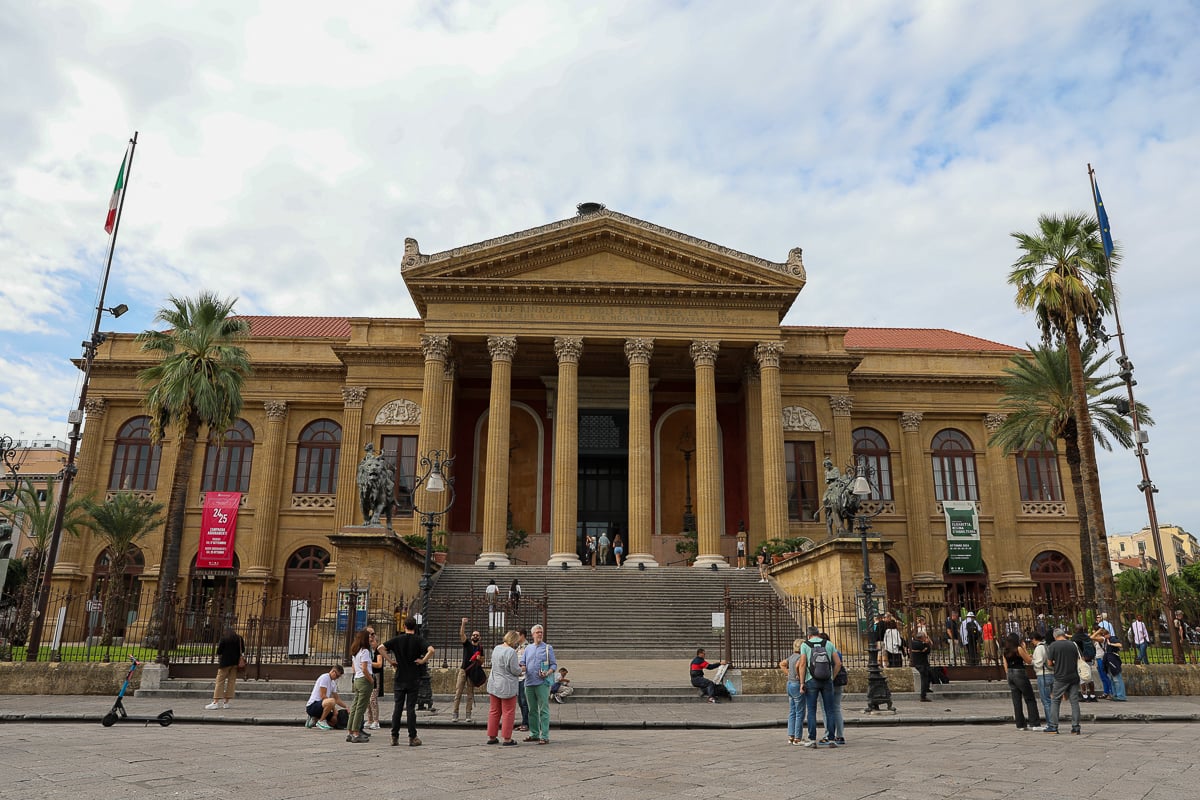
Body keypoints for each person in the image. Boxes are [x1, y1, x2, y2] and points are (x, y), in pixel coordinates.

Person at [380, 616, 434, 747]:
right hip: (413, 678)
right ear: (415, 627)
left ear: (404, 626)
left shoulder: (397, 640)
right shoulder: (419, 640)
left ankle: (394, 736)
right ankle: (412, 736)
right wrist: (422, 660)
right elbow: (431, 650)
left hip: (399, 677)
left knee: (397, 708)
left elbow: (380, 648)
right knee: (410, 708)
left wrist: (390, 661)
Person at [797, 626, 842, 747]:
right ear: (818, 634)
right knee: (830, 710)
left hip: (811, 680)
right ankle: (831, 739)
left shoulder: (805, 645)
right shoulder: (829, 643)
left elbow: (802, 664)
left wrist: (802, 683)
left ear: (809, 635)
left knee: (811, 710)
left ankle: (812, 740)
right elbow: (838, 663)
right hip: (827, 680)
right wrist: (832, 676)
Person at [485, 630, 524, 746]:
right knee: (508, 712)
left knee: (494, 711)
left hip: (494, 683)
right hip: (507, 685)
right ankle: (507, 738)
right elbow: (514, 670)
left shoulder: (497, 648)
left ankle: (492, 736)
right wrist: (521, 669)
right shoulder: (511, 652)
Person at [521, 624, 557, 744]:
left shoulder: (548, 648)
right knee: (532, 710)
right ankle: (534, 733)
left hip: (542, 682)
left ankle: (545, 735)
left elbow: (554, 664)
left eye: (541, 632)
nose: (540, 634)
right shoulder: (528, 648)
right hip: (529, 682)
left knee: (543, 709)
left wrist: (548, 672)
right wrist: (523, 667)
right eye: (537, 632)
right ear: (532, 635)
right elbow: (522, 662)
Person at [1044, 627, 1082, 735]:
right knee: (1074, 702)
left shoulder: (1053, 646)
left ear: (1055, 636)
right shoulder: (1073, 644)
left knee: (1055, 700)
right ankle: (1075, 727)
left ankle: (1053, 726)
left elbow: (1050, 663)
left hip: (1060, 676)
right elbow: (1078, 659)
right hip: (1073, 676)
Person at [1001, 632, 1041, 731]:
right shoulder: (1018, 649)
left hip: (1010, 673)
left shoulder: (1005, 651)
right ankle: (1034, 723)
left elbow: (1005, 664)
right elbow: (1028, 660)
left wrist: (1008, 674)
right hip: (1019, 673)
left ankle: (1020, 724)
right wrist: (1025, 649)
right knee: (1029, 698)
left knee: (1016, 700)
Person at [205, 628, 245, 710]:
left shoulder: (224, 639)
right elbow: (243, 650)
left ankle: (215, 702)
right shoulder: (239, 638)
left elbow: (219, 651)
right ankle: (226, 702)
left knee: (220, 681)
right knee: (231, 682)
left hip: (225, 663)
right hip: (235, 663)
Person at [452, 618, 483, 723]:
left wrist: (480, 659)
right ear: (471, 637)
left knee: (470, 694)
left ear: (479, 638)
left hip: (472, 672)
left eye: (477, 635)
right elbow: (461, 634)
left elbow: (482, 661)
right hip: (463, 670)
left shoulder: (480, 648)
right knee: (458, 692)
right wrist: (463, 624)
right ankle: (455, 713)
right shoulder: (467, 644)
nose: (475, 636)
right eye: (474, 635)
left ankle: (468, 714)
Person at [346, 628, 374, 743]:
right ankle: (356, 733)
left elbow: (355, 667)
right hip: (364, 680)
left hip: (357, 679)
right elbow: (364, 668)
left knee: (354, 706)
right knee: (360, 708)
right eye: (369, 636)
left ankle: (350, 731)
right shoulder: (365, 651)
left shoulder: (355, 651)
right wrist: (371, 680)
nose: (371, 638)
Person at [305, 664, 348, 730]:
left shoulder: (333, 683)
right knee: (331, 701)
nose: (337, 678)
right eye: (337, 676)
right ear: (333, 672)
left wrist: (346, 707)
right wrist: (334, 709)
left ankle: (314, 719)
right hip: (313, 705)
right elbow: (323, 696)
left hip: (323, 706)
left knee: (334, 721)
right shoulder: (325, 677)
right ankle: (321, 721)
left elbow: (337, 699)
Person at [780, 638, 806, 744]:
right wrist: (799, 678)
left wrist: (789, 674)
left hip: (789, 684)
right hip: (796, 684)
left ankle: (791, 735)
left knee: (792, 711)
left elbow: (781, 664)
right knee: (800, 712)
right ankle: (797, 738)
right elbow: (798, 666)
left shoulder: (791, 657)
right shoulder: (801, 657)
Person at [1029, 631, 1053, 728]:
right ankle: (1053, 721)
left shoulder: (1039, 648)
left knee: (1046, 701)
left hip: (1043, 675)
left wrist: (1031, 660)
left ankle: (1051, 723)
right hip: (1051, 674)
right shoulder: (1047, 646)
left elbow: (1038, 663)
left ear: (1034, 639)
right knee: (1050, 700)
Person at [1099, 629, 1127, 701]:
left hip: (1113, 660)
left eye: (1104, 635)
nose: (1104, 637)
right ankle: (1115, 694)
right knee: (1112, 679)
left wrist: (1111, 644)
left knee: (1117, 679)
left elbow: (1120, 645)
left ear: (1107, 634)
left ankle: (1120, 695)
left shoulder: (1112, 638)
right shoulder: (1106, 640)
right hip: (1109, 660)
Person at [1072, 625, 1098, 701]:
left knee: (1082, 677)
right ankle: (1093, 695)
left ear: (1076, 629)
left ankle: (1085, 695)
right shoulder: (1087, 637)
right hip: (1089, 659)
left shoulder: (1075, 638)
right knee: (1090, 677)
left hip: (1080, 660)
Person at [365, 627, 383, 730]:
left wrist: (369, 663)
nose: (371, 643)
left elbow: (379, 664)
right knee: (368, 699)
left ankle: (376, 721)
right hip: (369, 674)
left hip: (376, 676)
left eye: (373, 641)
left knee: (373, 698)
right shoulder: (368, 651)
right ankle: (369, 719)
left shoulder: (378, 652)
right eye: (370, 641)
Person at [909, 631, 933, 702]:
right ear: (922, 637)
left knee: (929, 675)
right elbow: (927, 651)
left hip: (920, 663)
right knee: (924, 679)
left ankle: (927, 688)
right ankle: (923, 696)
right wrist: (927, 643)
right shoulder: (919, 644)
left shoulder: (914, 643)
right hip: (922, 663)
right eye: (925, 637)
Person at [514, 628, 530, 731]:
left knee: (524, 701)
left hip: (524, 677)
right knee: (520, 701)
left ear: (522, 635)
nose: (516, 638)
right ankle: (524, 721)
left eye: (517, 635)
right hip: (518, 677)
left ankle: (526, 723)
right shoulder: (518, 648)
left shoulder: (528, 648)